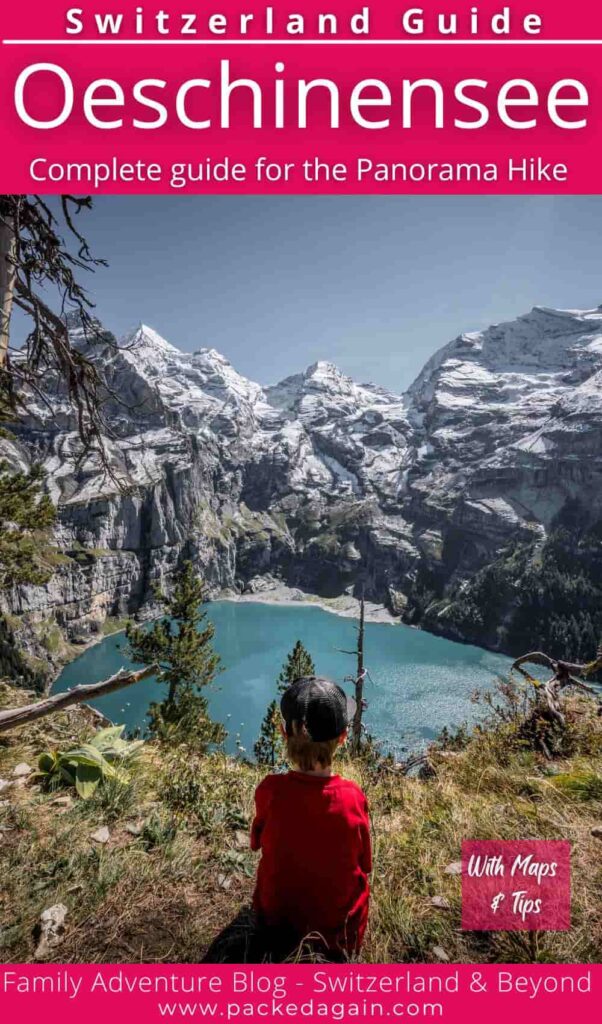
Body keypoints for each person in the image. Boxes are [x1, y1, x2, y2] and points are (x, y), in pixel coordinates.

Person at [250, 675, 372, 961]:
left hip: (275, 929)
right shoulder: (352, 797)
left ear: (283, 732)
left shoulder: (270, 790)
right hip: (337, 939)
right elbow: (364, 863)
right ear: (342, 737)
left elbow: (256, 842)